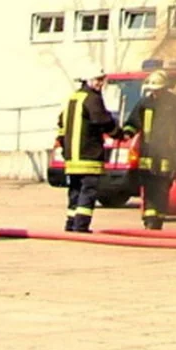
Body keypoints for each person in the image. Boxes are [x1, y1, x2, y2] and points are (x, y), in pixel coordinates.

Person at [122, 70, 176, 230]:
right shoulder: (144, 104)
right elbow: (133, 123)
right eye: (153, 90)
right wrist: (126, 134)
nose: (155, 92)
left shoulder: (174, 104)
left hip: (167, 153)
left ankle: (158, 219)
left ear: (165, 88)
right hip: (147, 153)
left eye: (158, 89)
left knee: (163, 187)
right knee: (148, 188)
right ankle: (150, 219)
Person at [57, 66, 118, 233]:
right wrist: (118, 133)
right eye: (98, 80)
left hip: (72, 158)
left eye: (102, 80)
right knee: (88, 191)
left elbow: (61, 123)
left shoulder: (73, 98)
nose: (101, 83)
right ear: (88, 80)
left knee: (75, 190)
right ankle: (81, 226)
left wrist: (65, 147)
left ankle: (71, 224)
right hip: (89, 155)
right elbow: (102, 120)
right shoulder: (93, 99)